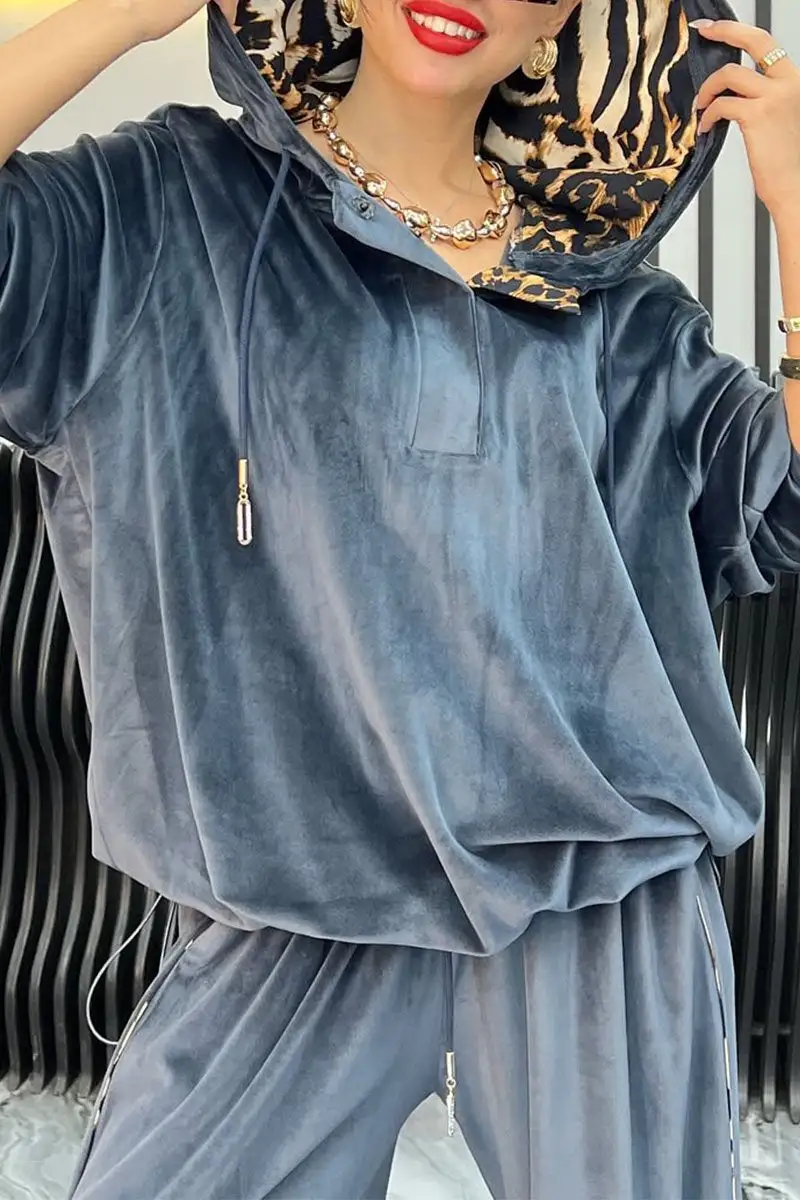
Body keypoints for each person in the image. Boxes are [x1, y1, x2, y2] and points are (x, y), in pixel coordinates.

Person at [1, 0, 799, 1195]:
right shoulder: (158, 211)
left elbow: (779, 505)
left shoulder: (616, 308)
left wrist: (796, 210)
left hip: (598, 900)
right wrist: (117, 14)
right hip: (285, 898)